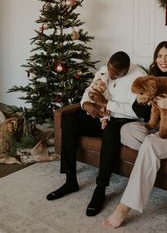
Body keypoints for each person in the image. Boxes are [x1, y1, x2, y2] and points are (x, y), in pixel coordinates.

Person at [103, 40, 167, 228]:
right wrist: (143, 101)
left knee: (151, 143)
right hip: (161, 130)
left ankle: (124, 207)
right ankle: (159, 153)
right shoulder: (152, 80)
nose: (163, 60)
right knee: (126, 130)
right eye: (159, 56)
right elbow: (140, 112)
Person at [46, 51, 146, 217]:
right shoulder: (104, 69)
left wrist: (108, 104)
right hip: (100, 113)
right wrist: (86, 104)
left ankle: (100, 189)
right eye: (109, 71)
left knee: (110, 132)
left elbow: (138, 112)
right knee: (69, 121)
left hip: (122, 119)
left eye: (116, 75)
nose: (111, 76)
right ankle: (70, 181)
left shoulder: (140, 78)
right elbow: (90, 89)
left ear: (126, 70)